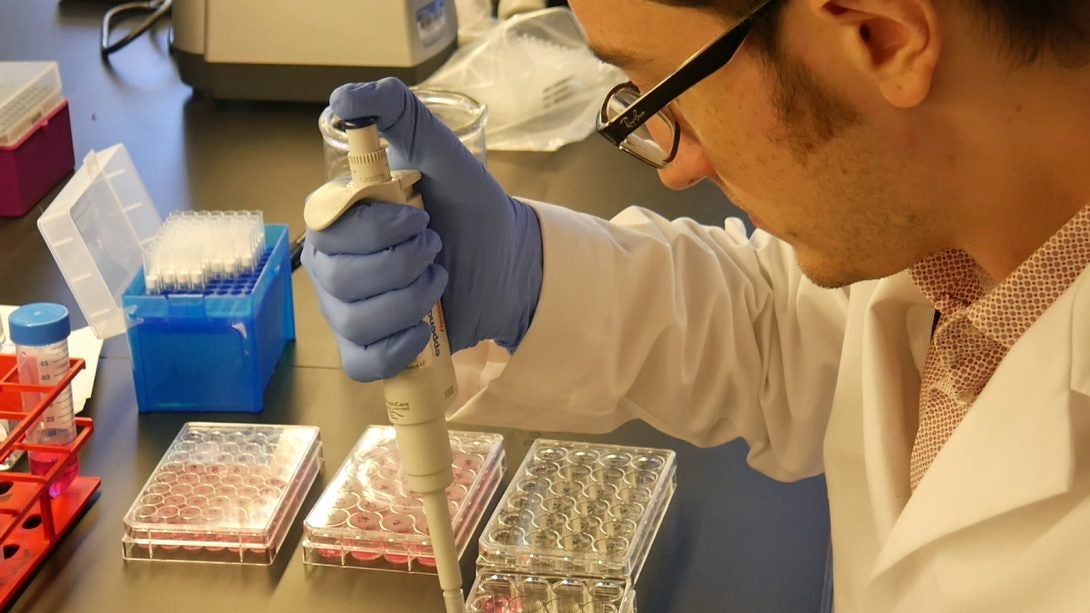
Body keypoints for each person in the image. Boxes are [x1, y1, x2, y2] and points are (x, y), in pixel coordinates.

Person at [301, 0, 1090, 610]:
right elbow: (797, 328)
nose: (678, 167)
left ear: (883, 36)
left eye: (664, 89)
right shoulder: (949, 218)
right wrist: (530, 277)